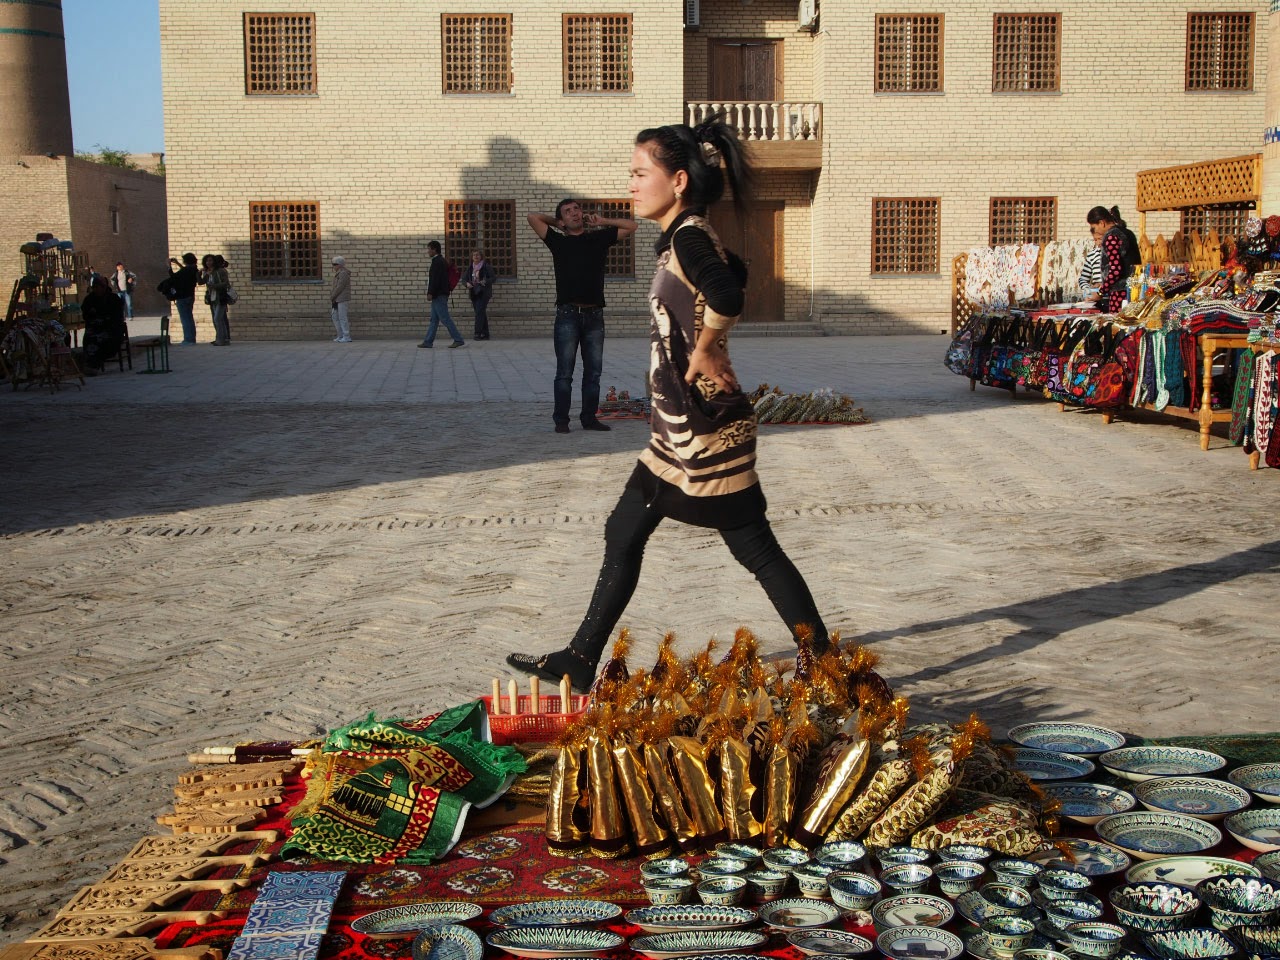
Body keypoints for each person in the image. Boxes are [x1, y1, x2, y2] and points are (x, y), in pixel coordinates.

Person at [506, 117, 830, 693]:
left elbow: (729, 292)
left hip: (708, 427)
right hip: (674, 429)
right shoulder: (686, 234)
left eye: (639, 173)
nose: (630, 184)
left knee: (754, 545)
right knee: (623, 530)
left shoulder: (689, 236)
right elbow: (732, 279)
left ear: (678, 180)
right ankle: (580, 658)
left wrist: (707, 346)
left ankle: (820, 661)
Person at [527, 199, 637, 433]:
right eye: (568, 212)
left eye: (576, 209)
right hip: (568, 315)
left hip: (594, 316)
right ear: (562, 220)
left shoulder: (598, 238)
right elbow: (532, 217)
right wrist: (555, 223)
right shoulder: (558, 241)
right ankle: (561, 420)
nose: (574, 213)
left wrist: (602, 220)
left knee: (593, 372)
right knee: (564, 372)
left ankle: (589, 419)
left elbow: (631, 226)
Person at [1087, 205, 1142, 313]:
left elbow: (1116, 270)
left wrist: (1100, 293)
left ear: (1102, 223)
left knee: (1118, 325)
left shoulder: (1111, 237)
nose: (1094, 230)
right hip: (1135, 289)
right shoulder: (1128, 233)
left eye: (1094, 226)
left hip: (1120, 293)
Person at [418, 240, 465, 348]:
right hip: (439, 294)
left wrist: (430, 292)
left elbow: (435, 280)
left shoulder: (437, 262)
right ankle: (428, 341)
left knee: (444, 318)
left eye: (429, 249)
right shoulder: (440, 261)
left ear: (434, 249)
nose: (428, 251)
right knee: (434, 319)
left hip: (439, 295)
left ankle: (458, 339)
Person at [80, 275, 126, 373]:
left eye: (98, 287)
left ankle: (95, 364)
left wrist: (105, 320)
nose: (96, 290)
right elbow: (86, 314)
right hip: (95, 328)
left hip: (111, 329)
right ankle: (90, 364)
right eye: (94, 287)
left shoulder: (113, 299)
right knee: (89, 338)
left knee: (103, 340)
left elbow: (117, 317)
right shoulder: (89, 299)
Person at [165, 253, 200, 344]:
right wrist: (177, 263)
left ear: (185, 261)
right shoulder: (194, 269)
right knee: (189, 317)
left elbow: (174, 277)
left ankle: (188, 339)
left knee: (185, 319)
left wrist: (169, 266)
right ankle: (191, 338)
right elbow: (184, 271)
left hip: (182, 296)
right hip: (190, 296)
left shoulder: (186, 271)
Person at [463, 249, 495, 340]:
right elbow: (464, 279)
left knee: (479, 313)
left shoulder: (486, 266)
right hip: (474, 292)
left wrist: (485, 281)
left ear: (481, 257)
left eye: (478, 255)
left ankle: (477, 333)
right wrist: (466, 284)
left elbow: (493, 278)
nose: (476, 257)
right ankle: (485, 334)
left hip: (484, 292)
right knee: (480, 313)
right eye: (474, 255)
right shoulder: (470, 268)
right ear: (472, 257)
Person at [201, 253, 232, 345]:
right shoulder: (207, 272)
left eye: (210, 260)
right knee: (218, 319)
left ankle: (222, 339)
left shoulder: (221, 271)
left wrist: (214, 286)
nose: (208, 263)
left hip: (221, 297)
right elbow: (201, 282)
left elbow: (226, 283)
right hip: (212, 298)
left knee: (217, 318)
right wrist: (199, 274)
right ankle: (222, 339)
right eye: (207, 261)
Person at [330, 256, 352, 342]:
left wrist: (332, 296)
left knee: (342, 317)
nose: (333, 266)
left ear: (340, 265)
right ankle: (340, 335)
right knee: (335, 316)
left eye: (335, 264)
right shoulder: (339, 273)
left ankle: (346, 336)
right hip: (337, 298)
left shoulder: (343, 273)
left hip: (341, 298)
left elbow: (340, 287)